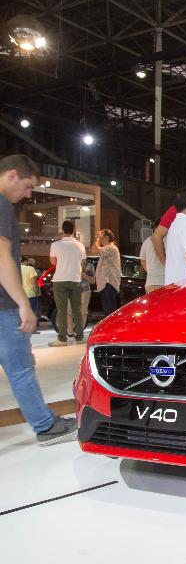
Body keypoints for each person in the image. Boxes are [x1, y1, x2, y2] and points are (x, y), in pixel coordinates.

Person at [0, 154, 78, 445]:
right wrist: (22, 302)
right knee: (20, 368)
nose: (28, 195)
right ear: (11, 176)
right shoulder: (2, 206)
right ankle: (45, 426)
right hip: (3, 305)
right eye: (28, 186)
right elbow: (2, 257)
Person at [48, 219, 86, 345]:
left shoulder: (55, 245)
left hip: (60, 280)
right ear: (74, 231)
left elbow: (53, 262)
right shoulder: (80, 245)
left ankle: (62, 338)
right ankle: (80, 337)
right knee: (77, 309)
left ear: (62, 230)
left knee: (62, 309)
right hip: (75, 279)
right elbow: (82, 263)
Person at [84, 229, 121, 317]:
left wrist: (96, 239)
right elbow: (94, 251)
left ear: (106, 237)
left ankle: (111, 329)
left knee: (110, 311)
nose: (100, 238)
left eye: (101, 236)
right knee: (107, 310)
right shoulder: (106, 248)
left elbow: (96, 250)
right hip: (105, 283)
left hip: (109, 283)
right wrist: (97, 239)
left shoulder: (111, 247)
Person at [139, 220, 165, 292]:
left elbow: (143, 260)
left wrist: (151, 271)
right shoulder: (168, 241)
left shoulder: (147, 241)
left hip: (150, 283)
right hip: (165, 282)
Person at [20, 256, 39, 327]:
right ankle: (32, 329)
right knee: (33, 312)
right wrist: (36, 292)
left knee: (22, 312)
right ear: (26, 261)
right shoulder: (30, 269)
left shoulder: (16, 268)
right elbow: (33, 283)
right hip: (30, 294)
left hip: (20, 295)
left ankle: (23, 327)